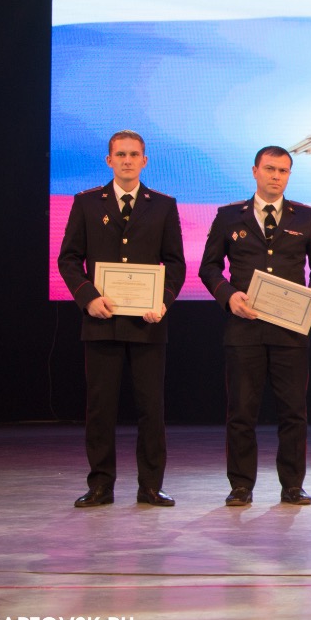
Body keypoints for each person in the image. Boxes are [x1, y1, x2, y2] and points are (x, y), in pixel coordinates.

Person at [57, 130, 186, 508]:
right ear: (109, 160)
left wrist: (162, 301)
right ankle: (100, 485)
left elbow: (175, 263)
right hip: (101, 321)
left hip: (148, 322)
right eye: (120, 154)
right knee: (101, 409)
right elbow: (69, 259)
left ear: (144, 161)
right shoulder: (86, 203)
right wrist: (88, 298)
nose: (127, 160)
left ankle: (151, 486)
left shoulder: (162, 205)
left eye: (134, 154)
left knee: (151, 409)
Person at [199, 146, 311, 507]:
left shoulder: (306, 217)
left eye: (283, 171)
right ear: (255, 171)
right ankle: (241, 485)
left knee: (293, 412)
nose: (276, 176)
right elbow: (209, 267)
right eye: (270, 169)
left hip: (291, 330)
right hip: (244, 328)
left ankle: (292, 485)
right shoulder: (229, 216)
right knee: (241, 412)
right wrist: (228, 296)